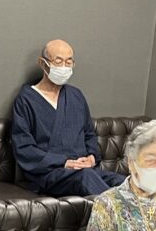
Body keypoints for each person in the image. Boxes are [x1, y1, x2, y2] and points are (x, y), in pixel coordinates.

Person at [11, 39, 126, 198]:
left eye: (69, 62)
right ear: (43, 63)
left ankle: (140, 211)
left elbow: (89, 134)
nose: (64, 67)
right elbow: (24, 148)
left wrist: (92, 157)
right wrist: (63, 162)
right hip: (50, 174)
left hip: (84, 170)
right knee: (86, 177)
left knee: (125, 182)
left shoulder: (76, 96)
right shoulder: (26, 100)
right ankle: (119, 211)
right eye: (58, 62)